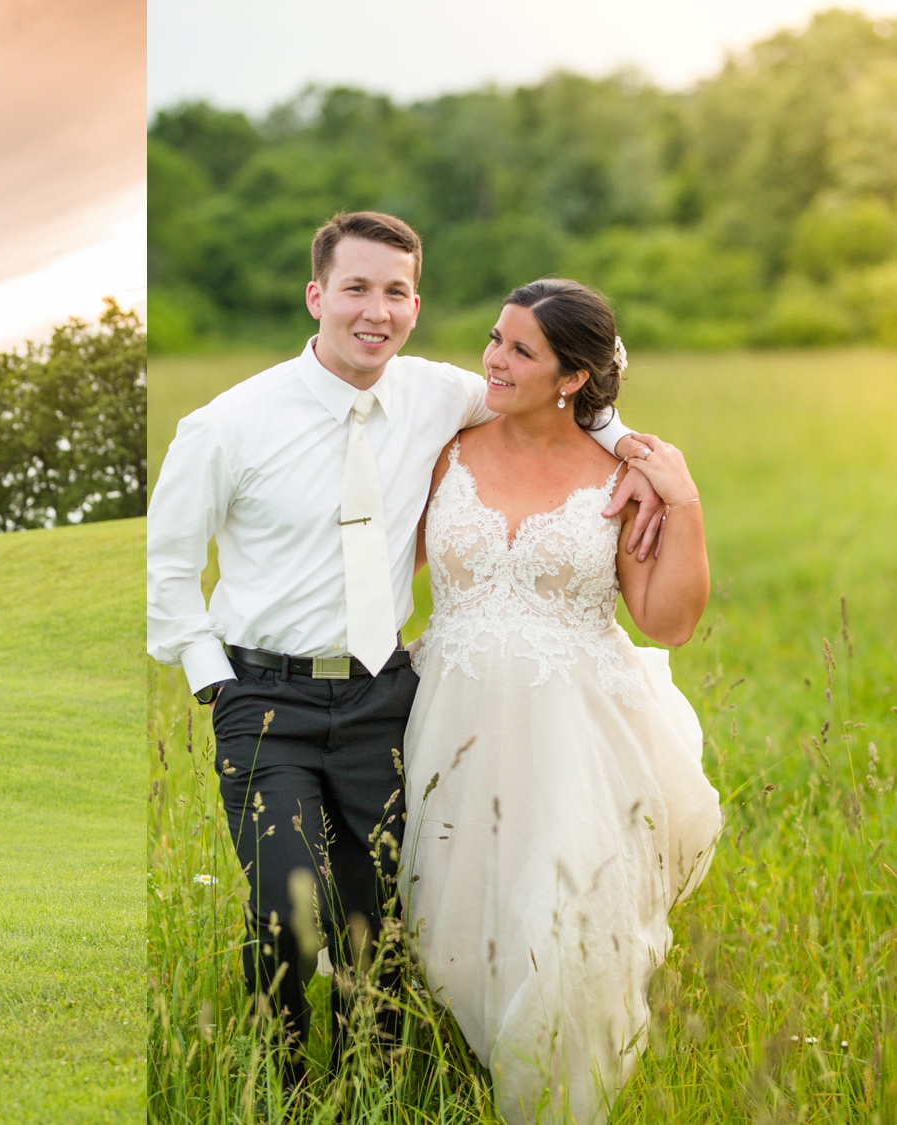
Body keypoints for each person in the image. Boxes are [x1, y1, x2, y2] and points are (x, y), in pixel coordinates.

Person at [146, 211, 667, 1084]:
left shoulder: (435, 393)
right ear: (317, 295)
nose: (374, 311)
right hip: (264, 698)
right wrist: (217, 685)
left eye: (394, 292)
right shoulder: (227, 425)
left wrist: (637, 452)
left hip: (384, 696)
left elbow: (553, 396)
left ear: (415, 303)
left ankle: (368, 1083)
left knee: (376, 918)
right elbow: (166, 573)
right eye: (355, 288)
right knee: (285, 908)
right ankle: (284, 1084)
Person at [400, 279, 722, 1124]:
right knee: (456, 940)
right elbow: (380, 570)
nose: (494, 361)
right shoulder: (449, 449)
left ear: (573, 376)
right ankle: (471, 1073)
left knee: (562, 929)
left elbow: (668, 618)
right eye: (496, 340)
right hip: (452, 728)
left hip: (576, 736)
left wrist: (680, 494)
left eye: (520, 350)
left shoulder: (624, 478)